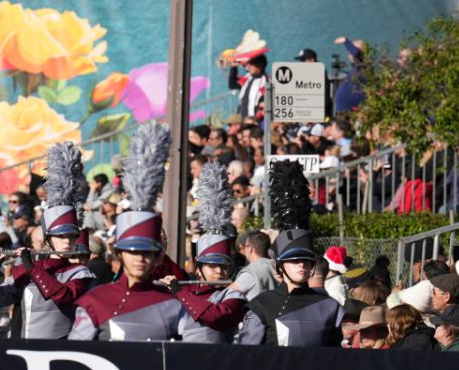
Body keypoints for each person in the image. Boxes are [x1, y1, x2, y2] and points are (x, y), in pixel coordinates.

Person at [70, 126, 187, 342]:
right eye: (133, 251)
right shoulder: (94, 301)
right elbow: (75, 355)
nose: (140, 258)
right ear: (119, 253)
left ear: (157, 256)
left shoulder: (172, 305)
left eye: (147, 252)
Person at [0, 141, 95, 339]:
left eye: (71, 236)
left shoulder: (80, 273)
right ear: (47, 240)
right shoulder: (25, 270)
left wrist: (32, 268)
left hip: (62, 350)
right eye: (61, 236)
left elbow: (62, 296)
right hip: (26, 349)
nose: (67, 241)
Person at [239, 161, 340, 346]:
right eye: (294, 260)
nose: (301, 265)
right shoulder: (260, 305)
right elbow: (247, 355)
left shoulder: (331, 306)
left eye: (306, 260)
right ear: (280, 266)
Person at [173, 164, 246, 343]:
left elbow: (216, 316)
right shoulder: (188, 289)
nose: (219, 272)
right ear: (199, 268)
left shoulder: (233, 295)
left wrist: (180, 294)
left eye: (224, 267)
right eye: (212, 266)